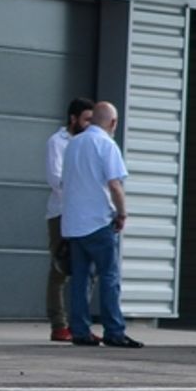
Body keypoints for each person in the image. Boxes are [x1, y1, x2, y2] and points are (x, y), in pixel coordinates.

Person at [60, 101, 138, 349]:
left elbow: (65, 181)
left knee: (80, 280)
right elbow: (115, 185)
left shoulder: (73, 144)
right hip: (98, 221)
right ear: (113, 123)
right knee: (109, 277)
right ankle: (114, 330)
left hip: (74, 222)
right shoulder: (106, 144)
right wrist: (122, 213)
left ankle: (80, 330)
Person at [41, 96, 90, 342]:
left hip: (84, 215)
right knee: (60, 268)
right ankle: (59, 324)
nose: (90, 124)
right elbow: (55, 178)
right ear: (73, 119)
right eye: (86, 119)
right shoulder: (57, 142)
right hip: (61, 212)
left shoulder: (89, 142)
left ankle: (80, 323)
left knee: (85, 270)